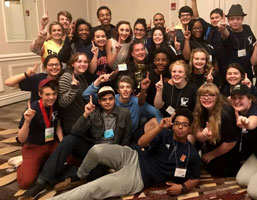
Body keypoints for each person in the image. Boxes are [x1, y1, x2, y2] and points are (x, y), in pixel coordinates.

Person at [47, 109, 201, 200]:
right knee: (96, 150)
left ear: (190, 128)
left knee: (95, 187)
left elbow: (195, 178)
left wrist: (182, 188)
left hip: (139, 176)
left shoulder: (191, 154)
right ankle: (79, 176)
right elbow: (141, 143)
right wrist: (160, 127)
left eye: (185, 125)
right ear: (173, 125)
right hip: (132, 155)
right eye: (178, 123)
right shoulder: (164, 134)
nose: (180, 127)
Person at [20, 86, 132, 199]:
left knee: (96, 175)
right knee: (69, 139)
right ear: (99, 101)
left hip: (111, 153)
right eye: (104, 99)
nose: (107, 102)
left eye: (110, 99)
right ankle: (41, 182)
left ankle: (72, 177)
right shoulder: (94, 113)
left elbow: (126, 137)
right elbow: (75, 131)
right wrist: (86, 114)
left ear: (114, 99)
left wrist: (119, 159)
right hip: (93, 149)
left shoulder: (124, 113)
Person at [16, 79, 62, 189]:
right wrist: (27, 121)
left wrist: (62, 142)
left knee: (72, 159)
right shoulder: (32, 109)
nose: (51, 97)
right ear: (40, 94)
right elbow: (21, 139)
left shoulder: (56, 105)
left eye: (54, 94)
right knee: (25, 182)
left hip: (51, 144)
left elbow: (58, 125)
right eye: (47, 94)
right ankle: (22, 163)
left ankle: (43, 161)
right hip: (34, 146)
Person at [190, 83, 241, 177]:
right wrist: (204, 135)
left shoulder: (226, 113)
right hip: (212, 144)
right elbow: (197, 135)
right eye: (203, 95)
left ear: (217, 97)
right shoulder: (200, 109)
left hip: (228, 149)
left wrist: (212, 155)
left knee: (217, 171)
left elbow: (231, 142)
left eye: (211, 95)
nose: (206, 98)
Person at [218, 4, 256, 81]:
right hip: (232, 74)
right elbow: (225, 35)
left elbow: (252, 47)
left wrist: (255, 67)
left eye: (238, 19)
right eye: (232, 19)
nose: (235, 22)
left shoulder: (247, 28)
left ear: (242, 19)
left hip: (246, 72)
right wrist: (222, 29)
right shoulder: (227, 31)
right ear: (228, 20)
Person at [58, 52, 90, 135]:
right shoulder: (67, 77)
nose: (83, 64)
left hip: (80, 120)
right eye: (79, 61)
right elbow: (62, 102)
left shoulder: (82, 77)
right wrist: (73, 88)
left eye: (85, 62)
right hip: (70, 124)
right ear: (73, 64)